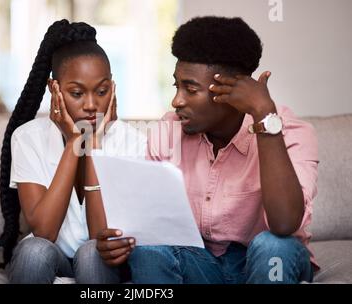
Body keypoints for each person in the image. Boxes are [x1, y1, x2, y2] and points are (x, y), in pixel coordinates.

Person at [127, 16, 319, 284]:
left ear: (230, 91)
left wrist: (265, 117)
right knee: (147, 250)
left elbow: (285, 224)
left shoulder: (291, 132)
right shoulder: (168, 131)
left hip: (266, 260)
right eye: (177, 86)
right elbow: (153, 224)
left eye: (190, 89)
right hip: (201, 262)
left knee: (273, 246)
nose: (176, 100)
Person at [0, 19, 145, 284]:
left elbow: (102, 235)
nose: (91, 104)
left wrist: (94, 148)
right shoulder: (27, 138)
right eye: (77, 93)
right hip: (50, 255)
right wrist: (73, 143)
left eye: (101, 91)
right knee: (32, 251)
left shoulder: (132, 142)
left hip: (102, 263)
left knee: (91, 253)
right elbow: (44, 231)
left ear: (112, 88)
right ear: (54, 90)